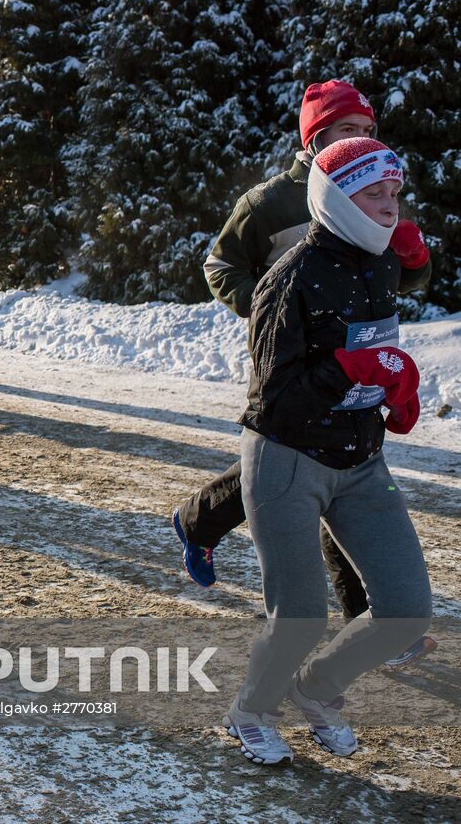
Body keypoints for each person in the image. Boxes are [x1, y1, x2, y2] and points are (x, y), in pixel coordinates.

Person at [175, 82, 435, 664]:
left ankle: (199, 520)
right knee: (297, 463)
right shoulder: (271, 202)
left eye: (368, 131)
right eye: (347, 131)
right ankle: (365, 614)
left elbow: (388, 278)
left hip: (356, 359)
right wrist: (269, 308)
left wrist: (415, 263)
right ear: (314, 136)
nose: (362, 141)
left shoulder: (371, 183)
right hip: (292, 353)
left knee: (320, 470)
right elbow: (221, 264)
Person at [222, 136, 432, 766]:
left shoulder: (381, 261)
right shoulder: (288, 280)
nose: (390, 206)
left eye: (394, 193)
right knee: (301, 617)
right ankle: (250, 710)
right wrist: (351, 369)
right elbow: (275, 399)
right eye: (375, 193)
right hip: (287, 458)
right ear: (337, 196)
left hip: (361, 463)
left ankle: (315, 690)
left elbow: (372, 351)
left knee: (406, 612)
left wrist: (394, 385)